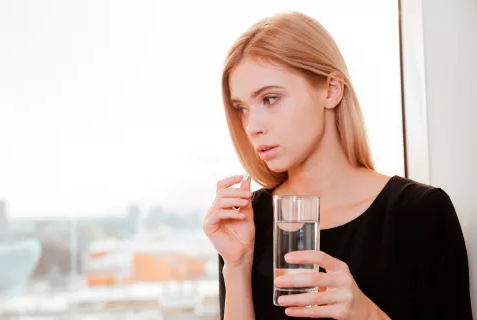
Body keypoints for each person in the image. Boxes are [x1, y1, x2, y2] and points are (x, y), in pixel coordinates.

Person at [202, 11, 473, 320]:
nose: (253, 126)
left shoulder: (420, 212)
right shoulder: (247, 221)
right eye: (242, 109)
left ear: (330, 90)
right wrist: (236, 267)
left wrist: (366, 313)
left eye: (271, 99)